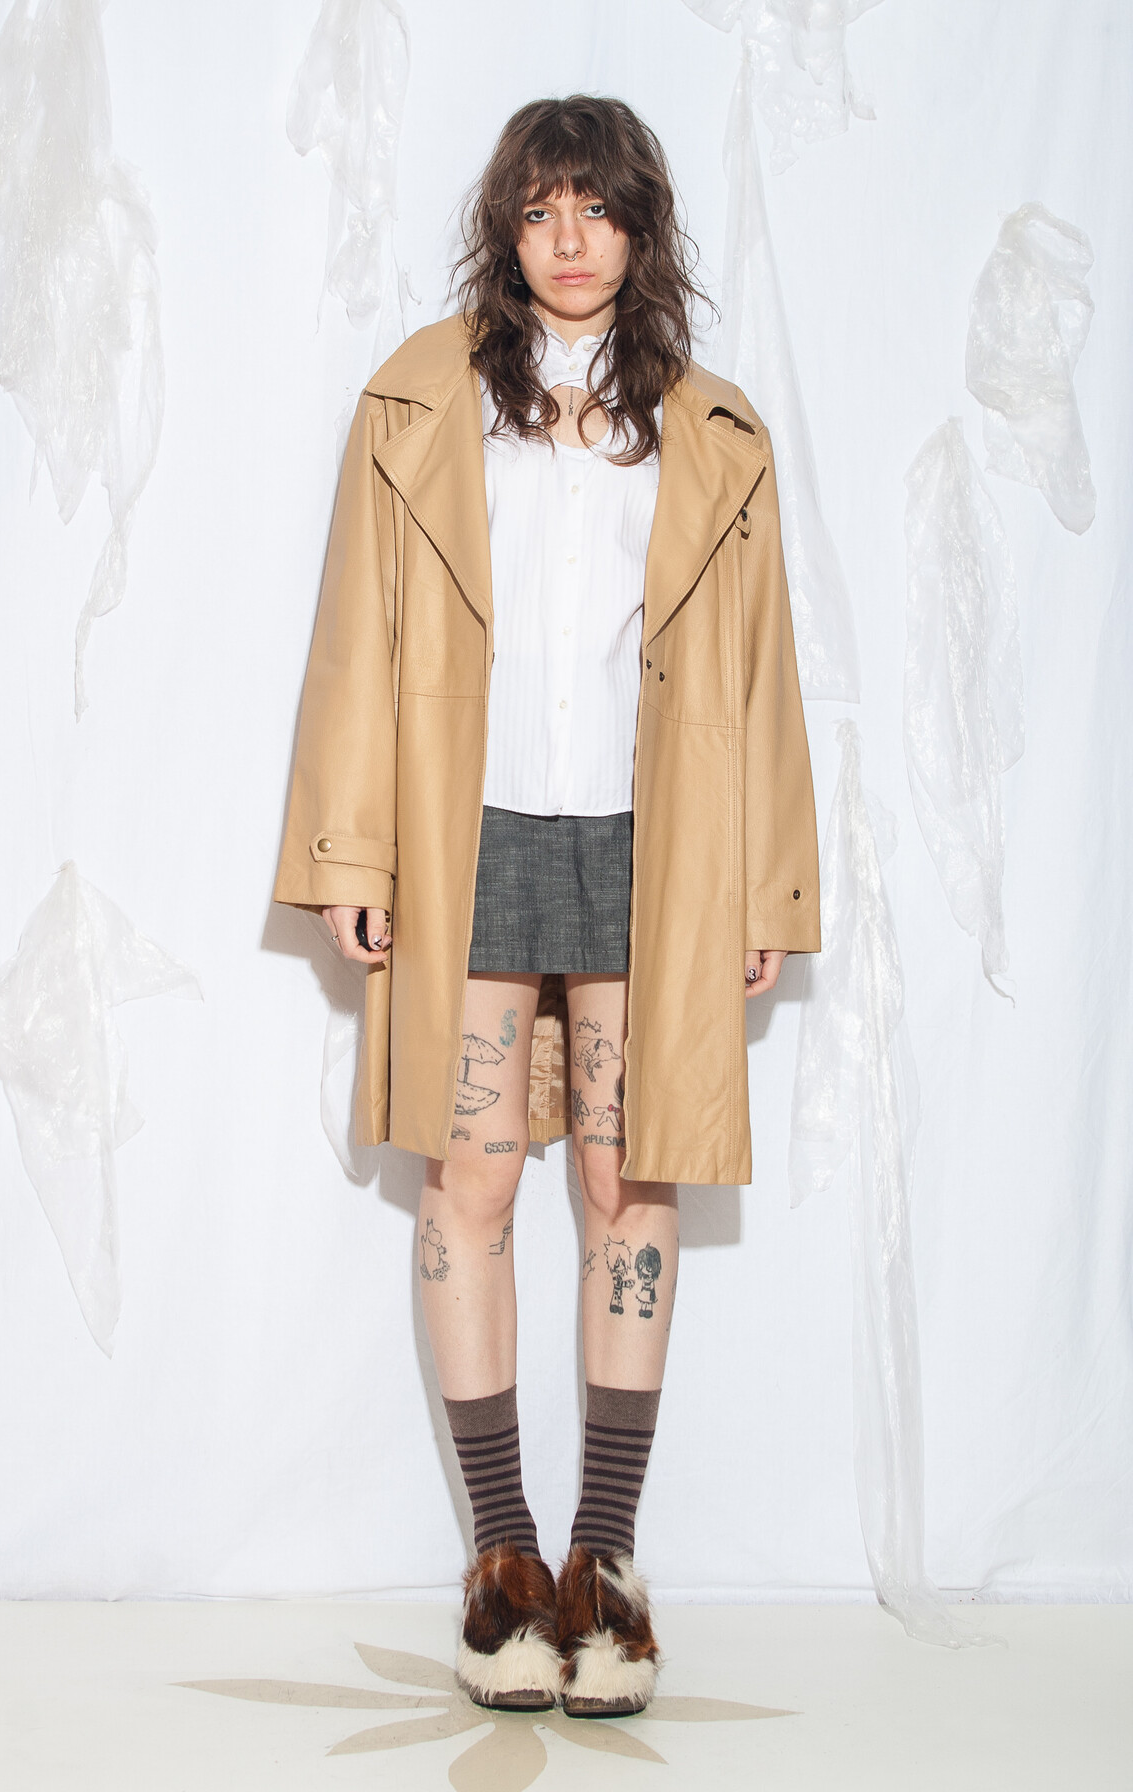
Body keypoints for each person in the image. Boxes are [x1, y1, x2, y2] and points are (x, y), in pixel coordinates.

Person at [273, 94, 821, 1718]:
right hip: (471, 829)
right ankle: (504, 1566)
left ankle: (610, 1567)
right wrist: (350, 855)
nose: (569, 239)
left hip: (658, 840)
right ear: (505, 229)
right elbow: (355, 635)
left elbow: (764, 673)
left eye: (597, 207)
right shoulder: (422, 403)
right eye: (540, 208)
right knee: (472, 1179)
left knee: (627, 1180)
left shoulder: (712, 432)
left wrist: (765, 880)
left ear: (643, 229)